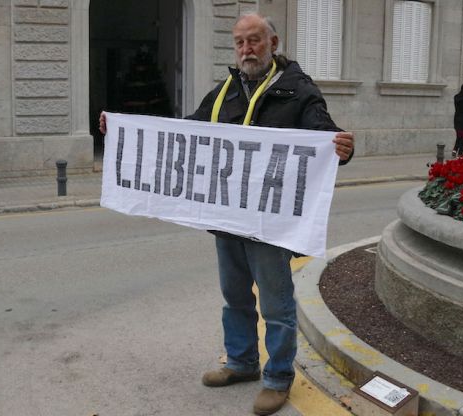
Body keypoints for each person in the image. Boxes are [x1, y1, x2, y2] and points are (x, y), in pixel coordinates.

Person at [100, 13, 354, 415]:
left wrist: (342, 148)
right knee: (234, 296)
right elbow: (186, 134)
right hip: (229, 219)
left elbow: (325, 136)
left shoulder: (299, 91)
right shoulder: (225, 91)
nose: (246, 49)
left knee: (275, 305)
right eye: (239, 42)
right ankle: (241, 363)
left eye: (254, 40)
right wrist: (127, 130)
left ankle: (277, 378)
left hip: (270, 226)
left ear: (273, 42)